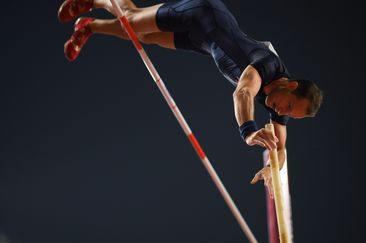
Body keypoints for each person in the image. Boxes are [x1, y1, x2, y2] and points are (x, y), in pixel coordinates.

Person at [58, 0, 323, 197]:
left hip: (205, 43)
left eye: (290, 113)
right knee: (131, 18)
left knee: (145, 37)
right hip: (203, 15)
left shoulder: (282, 101)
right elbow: (242, 92)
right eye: (287, 105)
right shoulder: (266, 65)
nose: (281, 110)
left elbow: (280, 147)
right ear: (291, 84)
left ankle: (89, 27)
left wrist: (272, 169)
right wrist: (249, 132)